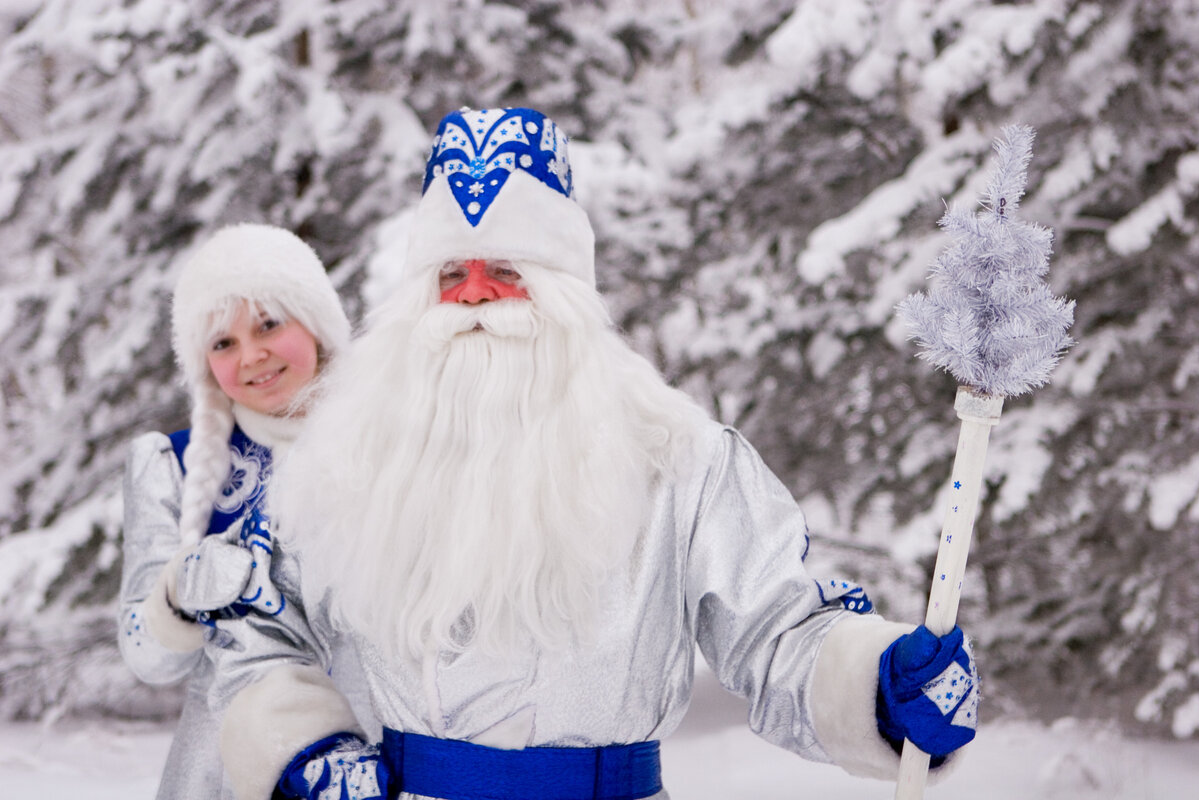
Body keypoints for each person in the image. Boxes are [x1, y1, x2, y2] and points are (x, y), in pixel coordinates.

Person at [208, 108, 980, 800]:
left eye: (506, 270)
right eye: (453, 274)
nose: (476, 297)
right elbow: (259, 621)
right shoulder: (350, 454)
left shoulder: (676, 455)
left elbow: (777, 631)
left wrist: (878, 686)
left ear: (566, 291)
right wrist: (305, 747)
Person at [117, 223, 357, 800]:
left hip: (370, 761)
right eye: (223, 343)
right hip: (222, 775)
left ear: (316, 325)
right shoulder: (172, 466)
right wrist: (178, 593)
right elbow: (146, 658)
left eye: (269, 324)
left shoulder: (395, 444)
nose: (251, 356)